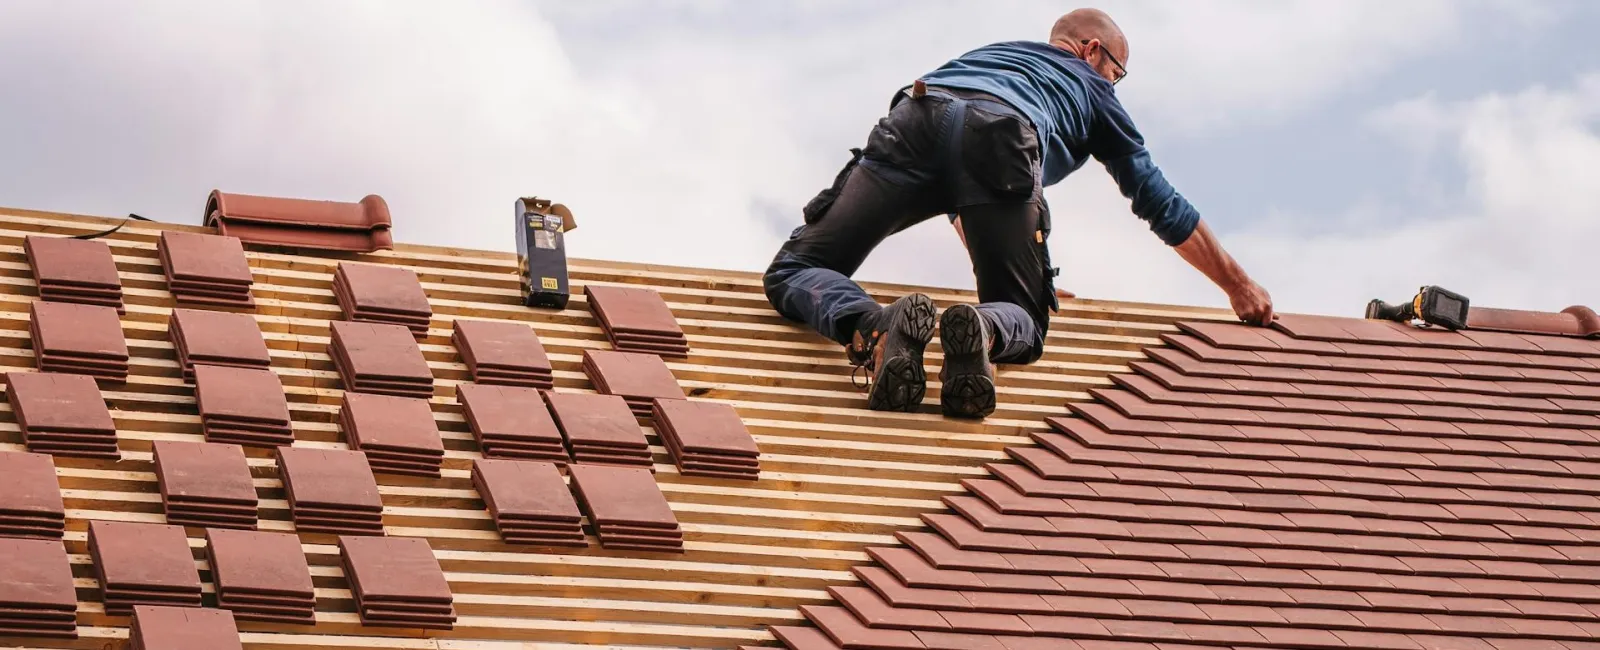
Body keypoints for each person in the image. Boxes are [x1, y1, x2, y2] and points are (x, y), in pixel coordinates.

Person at [761, 8, 1274, 420]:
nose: (1113, 85)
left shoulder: (989, 56)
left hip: (916, 115)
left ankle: (872, 325)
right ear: (1092, 51)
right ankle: (985, 329)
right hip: (1003, 139)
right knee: (1024, 317)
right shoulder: (1092, 88)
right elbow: (1158, 199)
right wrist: (1237, 286)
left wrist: (1031, 268)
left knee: (795, 269)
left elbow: (954, 156)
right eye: (1117, 73)